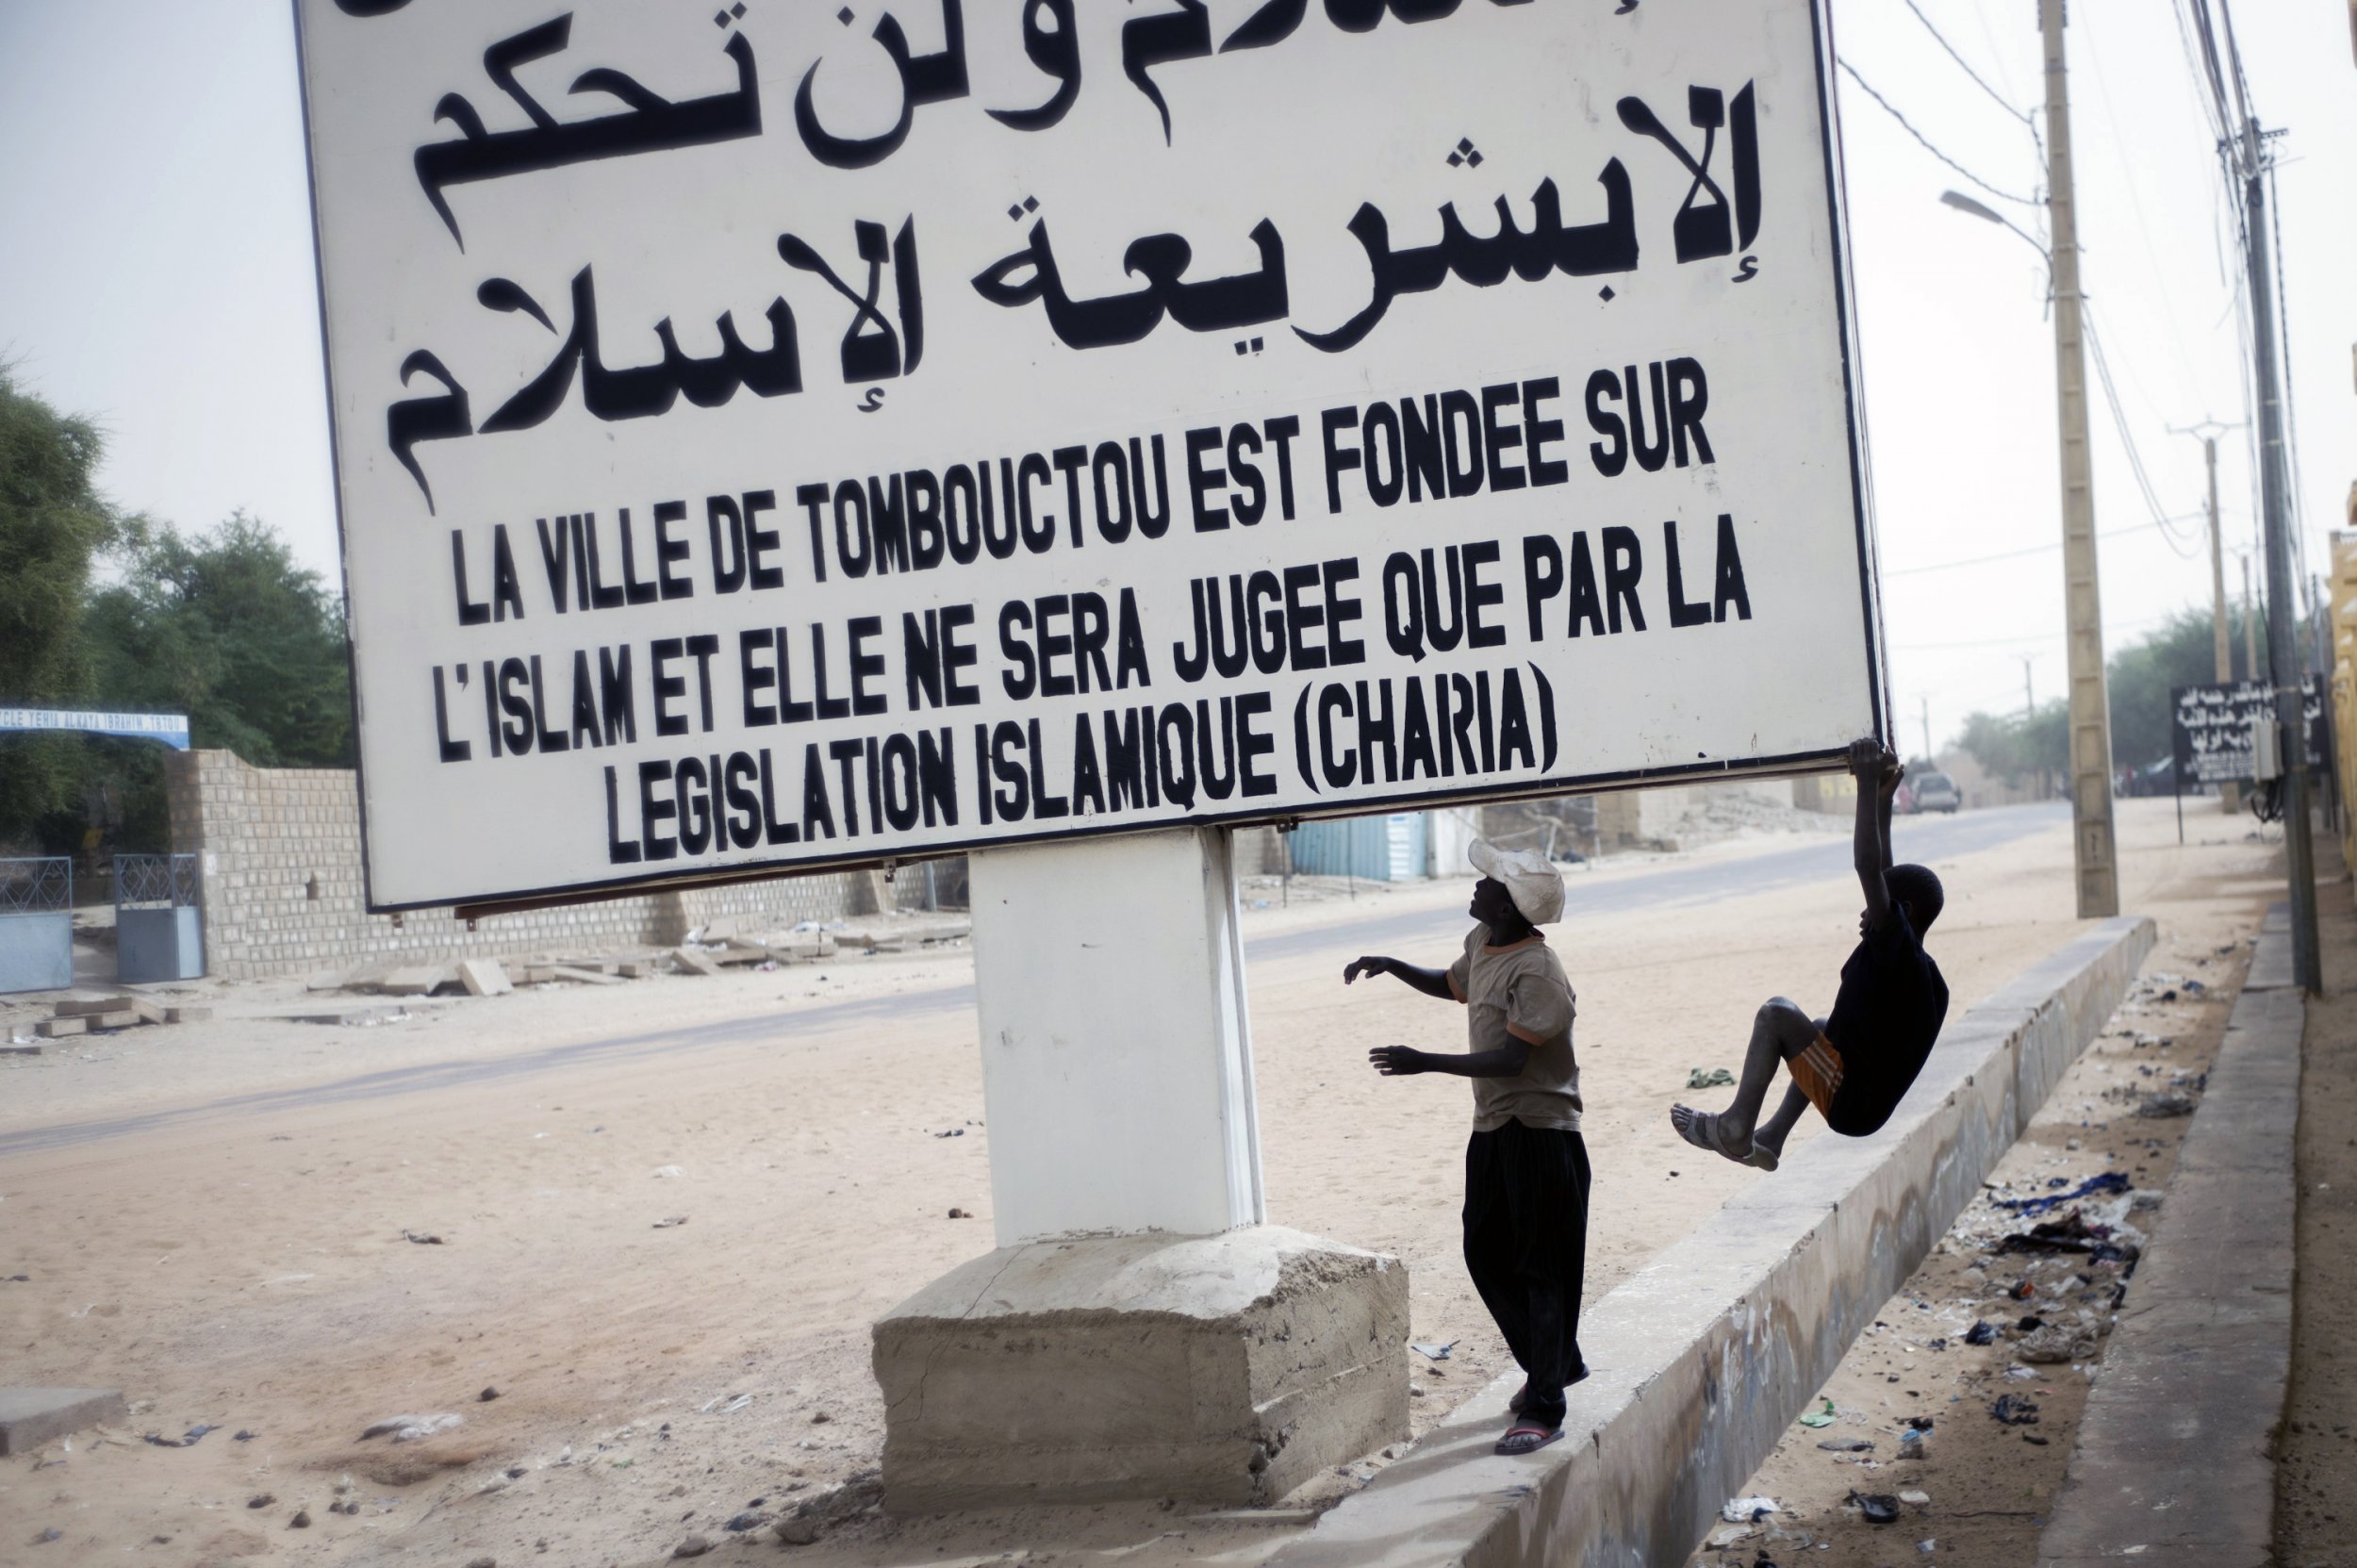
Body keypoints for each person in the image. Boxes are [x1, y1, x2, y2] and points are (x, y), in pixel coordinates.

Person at [1343, 841, 1588, 1457]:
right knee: (1484, 1250)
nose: (1477, 888)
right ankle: (1554, 1360)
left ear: (1513, 905)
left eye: (1490, 885)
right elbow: (1453, 984)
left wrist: (1423, 1060)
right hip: (1494, 1127)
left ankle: (1546, 1401)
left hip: (1541, 1130)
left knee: (1541, 1264)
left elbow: (1511, 1057)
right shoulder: (1484, 941)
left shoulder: (1538, 969)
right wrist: (1393, 963)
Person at [1671, 737, 1949, 1171]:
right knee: (1821, 1027)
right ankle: (1772, 1139)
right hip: (1864, 1099)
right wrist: (1881, 803)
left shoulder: (1899, 954)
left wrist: (1865, 781)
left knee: (1776, 1014)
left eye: (1879, 905)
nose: (1866, 911)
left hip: (1852, 1103)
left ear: (1902, 912)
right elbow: (1884, 873)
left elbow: (1869, 867)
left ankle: (1734, 1127)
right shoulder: (1915, 966)